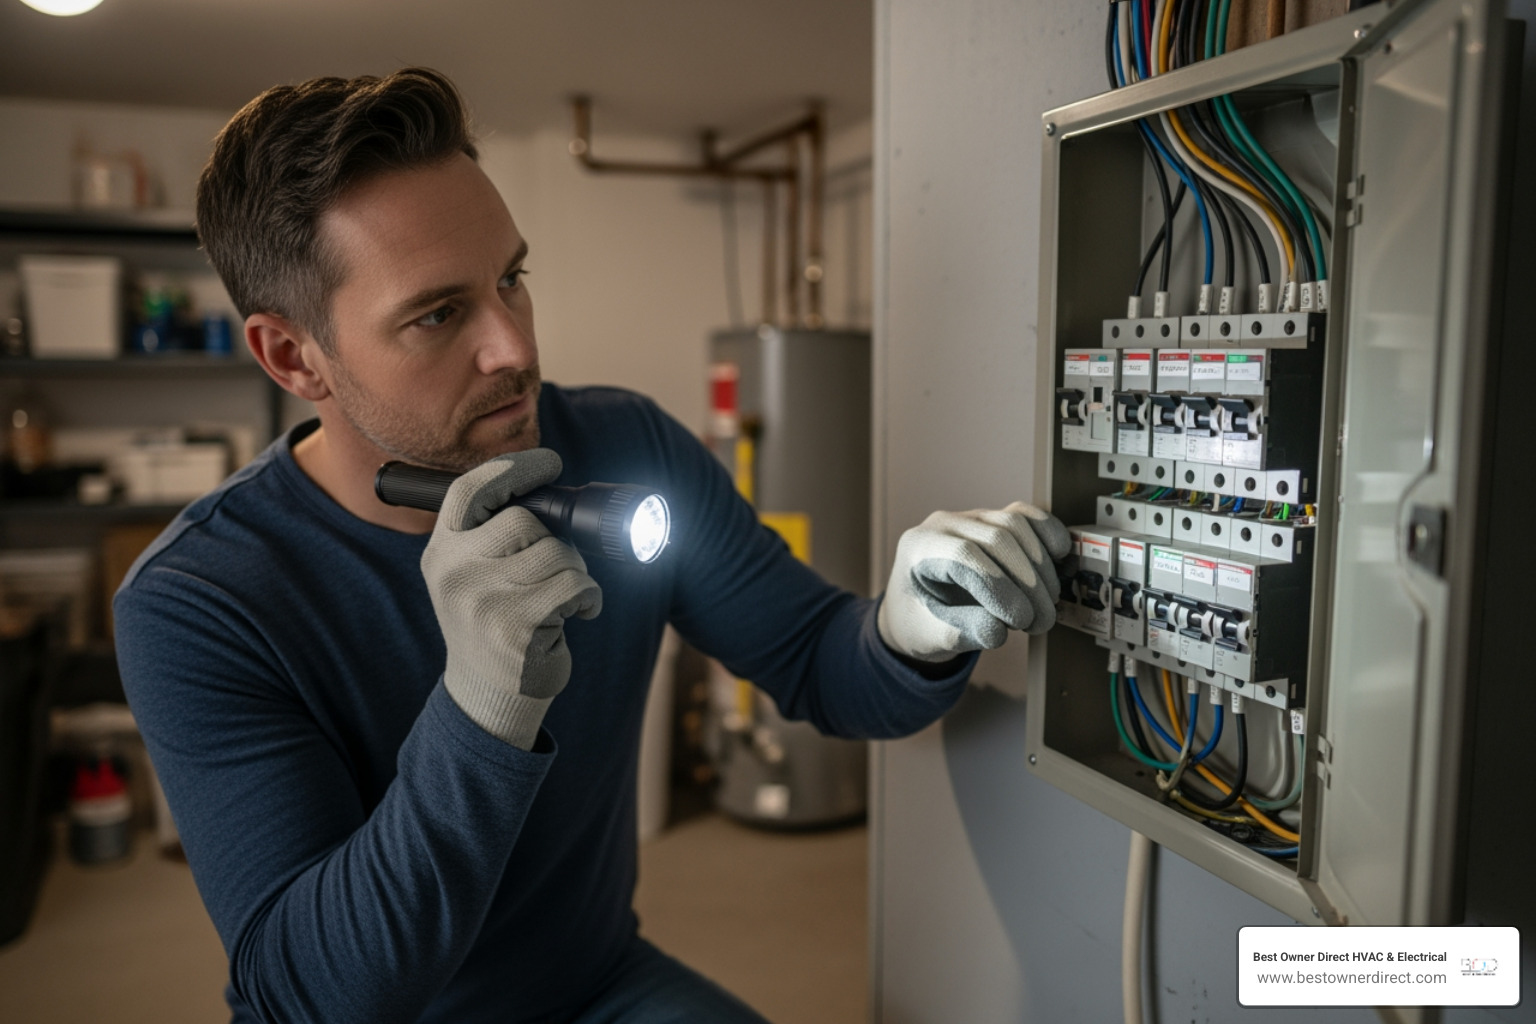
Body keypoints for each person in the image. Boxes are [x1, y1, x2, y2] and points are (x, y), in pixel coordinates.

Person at [114, 67, 1071, 1024]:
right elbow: (311, 995)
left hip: (592, 987)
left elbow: (822, 665)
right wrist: (482, 706)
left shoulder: (628, 448)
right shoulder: (199, 599)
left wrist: (909, 627)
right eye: (439, 313)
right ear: (293, 357)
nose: (514, 347)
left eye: (512, 280)